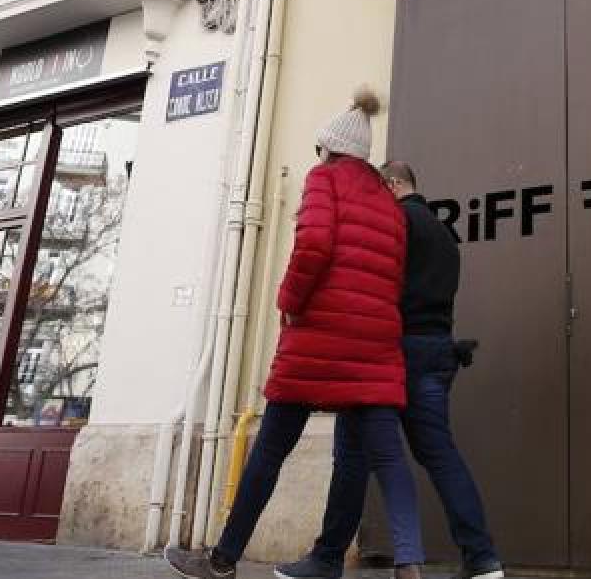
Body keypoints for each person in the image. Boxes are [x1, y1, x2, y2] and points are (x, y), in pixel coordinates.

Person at [166, 89, 425, 579]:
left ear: (329, 149)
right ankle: (408, 561)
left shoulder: (323, 179)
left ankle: (223, 559)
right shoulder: (389, 204)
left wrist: (288, 302)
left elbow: (313, 245)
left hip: (318, 341)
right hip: (372, 345)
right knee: (383, 457)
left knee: (271, 447)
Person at [275, 161, 504, 579]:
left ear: (393, 185)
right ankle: (482, 557)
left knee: (351, 453)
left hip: (393, 350)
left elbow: (377, 283)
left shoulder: (396, 221)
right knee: (439, 454)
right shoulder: (445, 234)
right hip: (438, 351)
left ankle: (326, 558)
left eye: (381, 189)